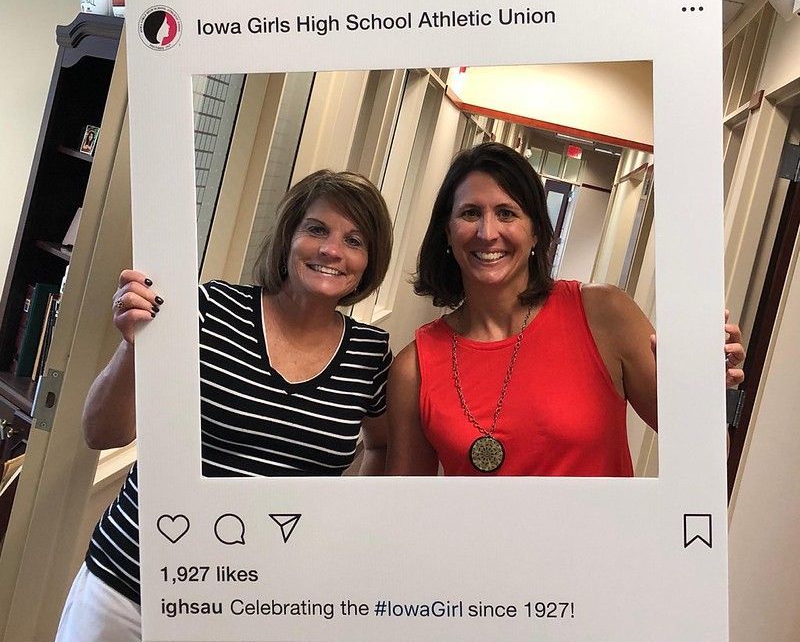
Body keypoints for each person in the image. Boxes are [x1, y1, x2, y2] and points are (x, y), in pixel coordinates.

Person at [56, 170, 394, 642]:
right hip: (130, 588)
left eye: (353, 240)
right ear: (289, 237)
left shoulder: (369, 354)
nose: (331, 250)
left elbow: (381, 446)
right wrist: (133, 347)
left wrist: (346, 527)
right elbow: (101, 433)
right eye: (316, 229)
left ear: (369, 261)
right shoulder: (211, 310)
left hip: (253, 605)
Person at [386, 142, 745, 476]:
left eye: (507, 213)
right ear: (447, 232)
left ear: (536, 232)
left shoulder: (604, 314)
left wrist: (703, 391)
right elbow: (407, 508)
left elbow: (709, 455)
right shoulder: (414, 368)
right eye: (470, 213)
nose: (487, 232)